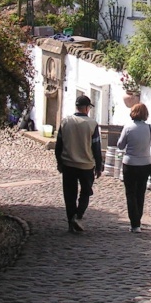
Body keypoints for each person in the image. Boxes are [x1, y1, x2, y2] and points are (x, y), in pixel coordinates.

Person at [54, 95, 103, 233]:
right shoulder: (92, 124)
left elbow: (59, 144)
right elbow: (96, 147)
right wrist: (99, 166)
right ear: (87, 108)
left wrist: (59, 161)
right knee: (86, 192)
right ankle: (78, 215)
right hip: (86, 165)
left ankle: (71, 220)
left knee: (69, 194)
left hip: (68, 164)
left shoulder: (65, 122)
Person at [116, 102, 151, 233]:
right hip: (145, 164)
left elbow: (120, 145)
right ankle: (138, 222)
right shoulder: (150, 128)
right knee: (140, 193)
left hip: (129, 164)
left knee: (130, 193)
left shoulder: (128, 128)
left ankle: (134, 223)